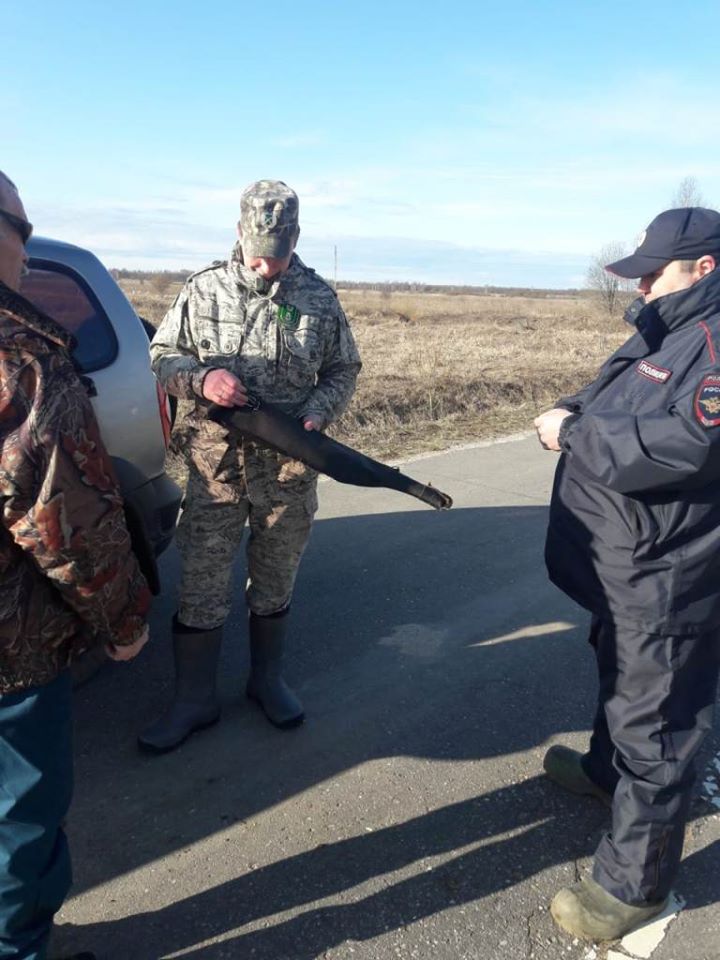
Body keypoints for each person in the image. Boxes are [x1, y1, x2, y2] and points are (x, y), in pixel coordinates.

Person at [534, 207, 720, 941]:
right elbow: (621, 395)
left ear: (704, 267)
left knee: (659, 719)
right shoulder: (665, 324)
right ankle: (607, 773)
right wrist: (575, 404)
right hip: (627, 569)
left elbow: (687, 446)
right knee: (619, 676)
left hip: (670, 573)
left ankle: (632, 888)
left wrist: (576, 433)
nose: (641, 285)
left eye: (653, 272)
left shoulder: (712, 339)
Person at [140, 179, 361, 753]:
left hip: (289, 470)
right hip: (214, 468)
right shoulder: (201, 290)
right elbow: (160, 357)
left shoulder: (318, 298)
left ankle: (267, 681)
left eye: (279, 253)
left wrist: (317, 412)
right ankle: (194, 701)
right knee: (202, 584)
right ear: (239, 234)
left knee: (275, 580)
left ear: (296, 240)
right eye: (258, 252)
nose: (266, 267)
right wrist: (201, 378)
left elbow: (344, 370)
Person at [0, 172, 151, 960]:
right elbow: (69, 526)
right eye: (23, 229)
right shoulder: (21, 360)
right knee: (19, 816)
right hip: (11, 653)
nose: (27, 248)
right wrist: (123, 622)